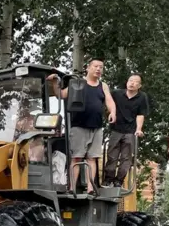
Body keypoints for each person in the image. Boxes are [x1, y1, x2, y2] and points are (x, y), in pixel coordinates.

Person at [48, 58, 116, 195]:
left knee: (92, 158)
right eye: (96, 66)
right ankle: (72, 187)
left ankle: (91, 188)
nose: (98, 69)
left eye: (101, 67)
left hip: (96, 127)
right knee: (77, 158)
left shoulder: (103, 86)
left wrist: (113, 112)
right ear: (88, 68)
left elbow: (109, 100)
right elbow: (60, 94)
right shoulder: (77, 83)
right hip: (79, 127)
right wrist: (55, 82)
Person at [103, 73, 149, 187]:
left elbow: (140, 114)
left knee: (126, 158)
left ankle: (119, 180)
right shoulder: (117, 93)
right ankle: (108, 179)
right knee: (112, 156)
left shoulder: (142, 97)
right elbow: (107, 101)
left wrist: (139, 129)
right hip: (116, 129)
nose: (132, 83)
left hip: (130, 131)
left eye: (135, 82)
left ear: (139, 85)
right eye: (130, 80)